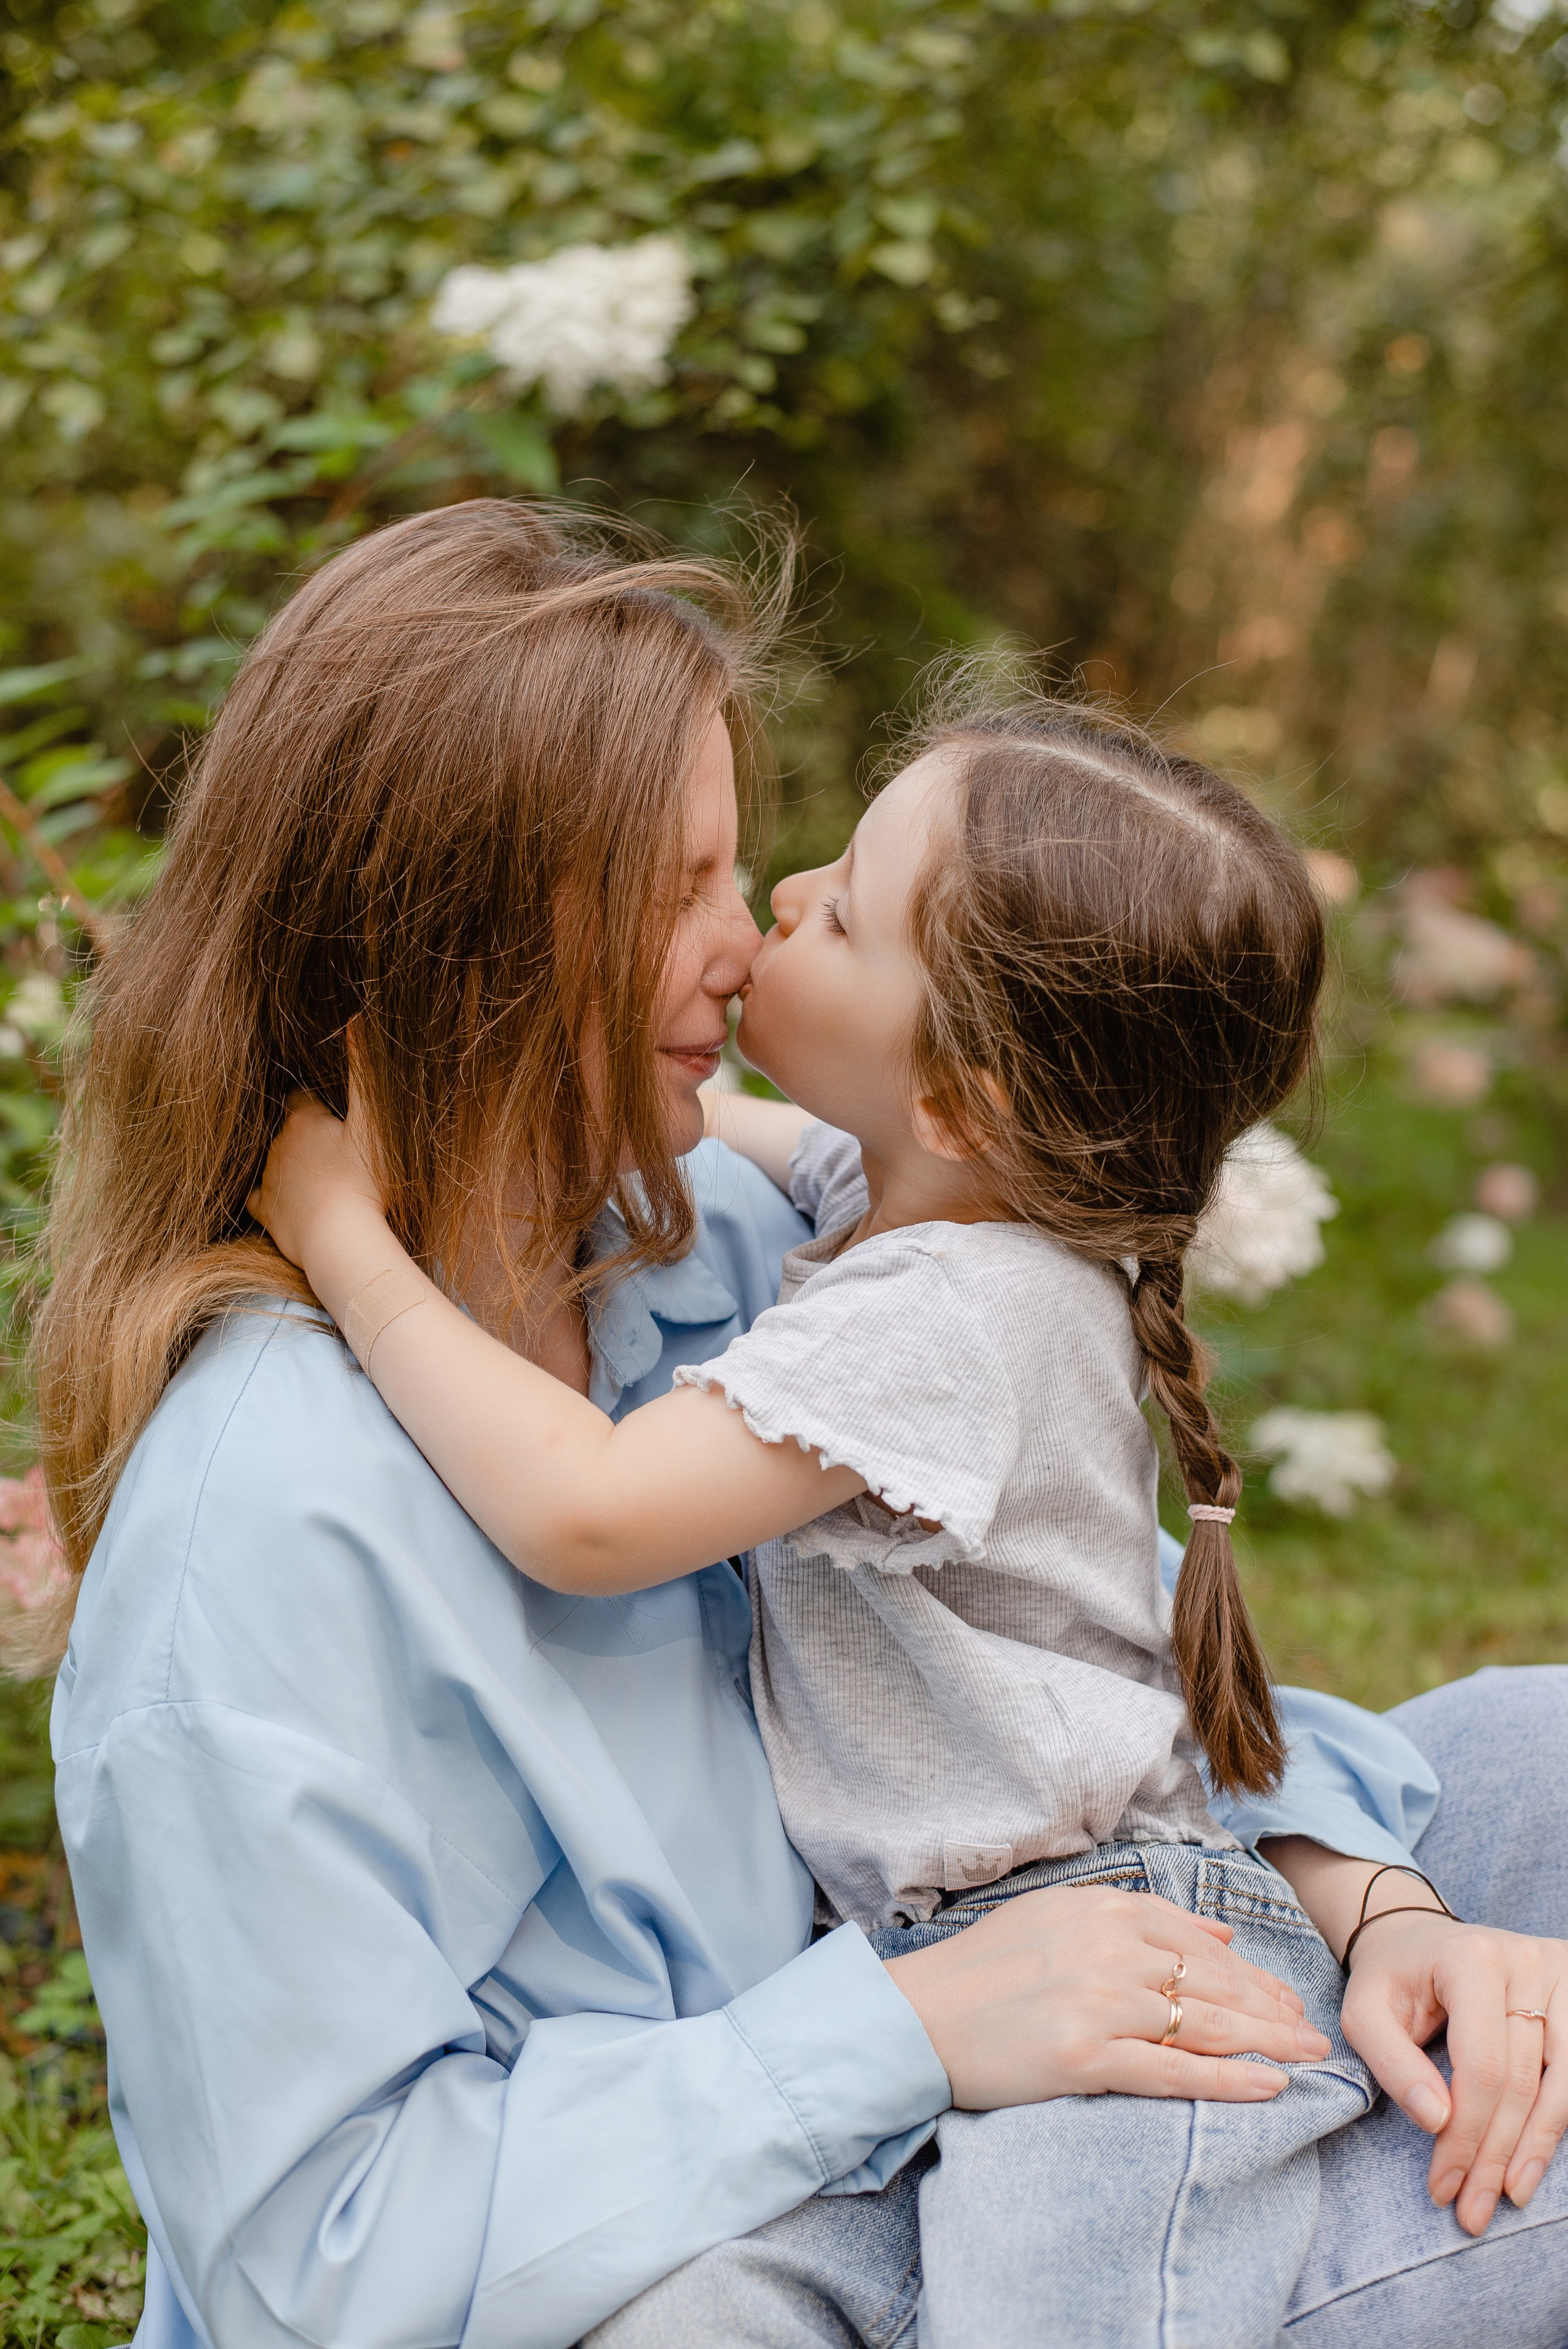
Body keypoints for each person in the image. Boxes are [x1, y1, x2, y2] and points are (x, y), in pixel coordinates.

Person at [34, 502, 1568, 2349]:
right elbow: (333, 2261)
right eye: (679, 886)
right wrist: (918, 2025)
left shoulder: (751, 1246)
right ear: (475, 951)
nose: (745, 934)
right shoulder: (259, 1528)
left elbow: (1087, 1661)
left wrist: (1377, 1900)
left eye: (768, 874)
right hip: (720, 2235)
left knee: (1536, 1750)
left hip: (983, 2022)